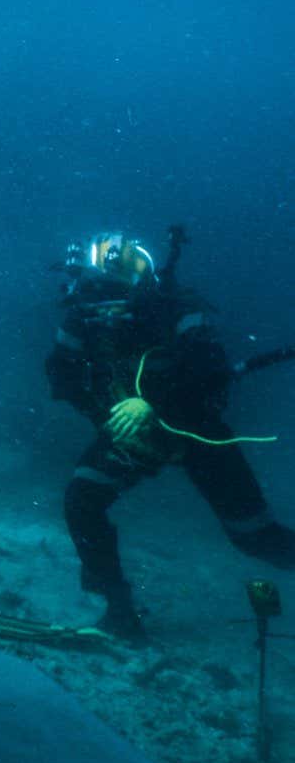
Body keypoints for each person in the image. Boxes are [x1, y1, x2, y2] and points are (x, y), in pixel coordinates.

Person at [46, 229, 295, 640]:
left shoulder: (174, 304)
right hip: (131, 430)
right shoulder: (82, 314)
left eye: (126, 253)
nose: (123, 261)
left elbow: (206, 365)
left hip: (197, 429)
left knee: (254, 537)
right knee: (82, 499)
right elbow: (62, 375)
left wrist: (151, 403)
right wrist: (106, 416)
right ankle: (119, 614)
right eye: (112, 257)